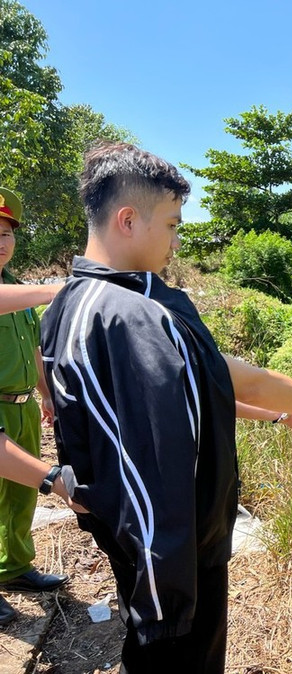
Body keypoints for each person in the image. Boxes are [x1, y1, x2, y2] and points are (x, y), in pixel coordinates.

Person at [39, 142, 292, 673]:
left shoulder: (78, 302)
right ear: (129, 220)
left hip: (158, 549)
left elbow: (212, 378)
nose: (178, 241)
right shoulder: (126, 315)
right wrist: (167, 591)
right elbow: (148, 466)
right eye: (174, 224)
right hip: (172, 558)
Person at [0, 187, 69, 627]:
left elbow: (36, 349)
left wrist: (45, 393)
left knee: (22, 493)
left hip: (21, 404)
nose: (2, 241)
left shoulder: (18, 291)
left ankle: (15, 568)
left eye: (7, 233)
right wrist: (59, 288)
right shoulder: (25, 295)